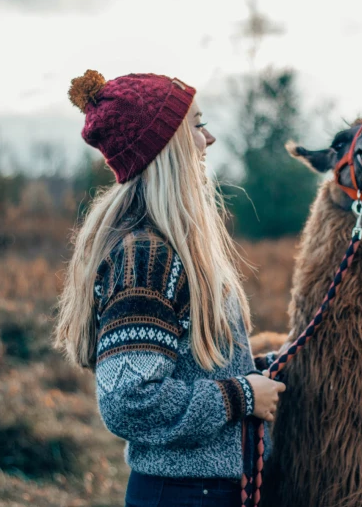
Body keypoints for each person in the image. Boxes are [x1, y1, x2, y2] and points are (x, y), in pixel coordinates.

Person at [53, 70, 286, 507]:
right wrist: (243, 395)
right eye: (197, 126)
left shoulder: (166, 249)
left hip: (203, 492)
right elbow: (130, 401)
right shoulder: (146, 257)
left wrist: (261, 368)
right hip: (187, 496)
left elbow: (185, 366)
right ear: (166, 147)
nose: (209, 138)